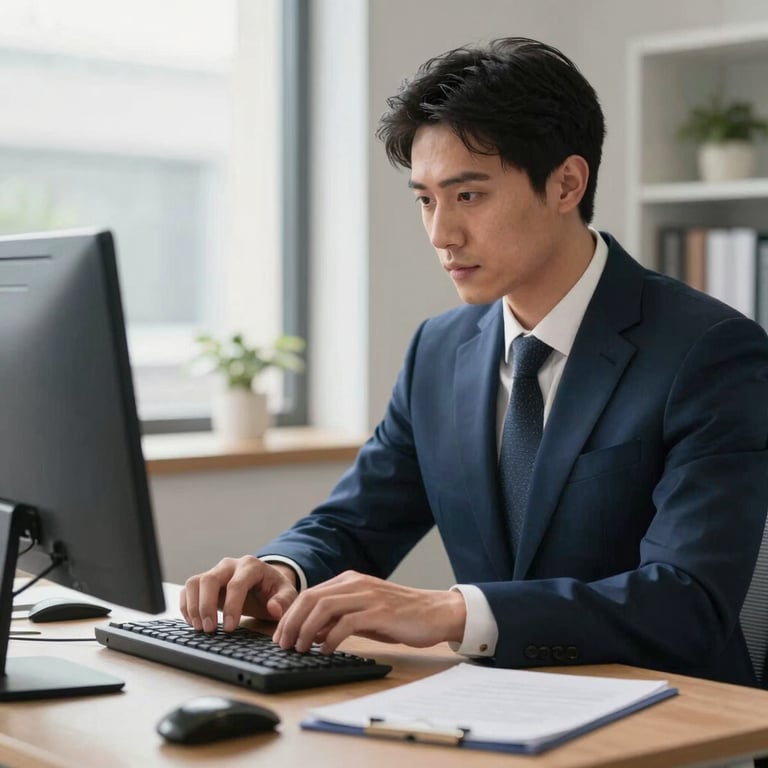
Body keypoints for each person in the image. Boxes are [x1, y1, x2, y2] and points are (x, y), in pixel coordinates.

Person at [181, 37, 768, 687]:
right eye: (426, 199)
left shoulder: (709, 351)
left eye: (468, 196)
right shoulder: (439, 349)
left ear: (567, 183)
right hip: (490, 704)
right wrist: (281, 569)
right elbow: (357, 520)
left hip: (671, 715)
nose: (440, 235)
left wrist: (453, 612)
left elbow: (687, 601)